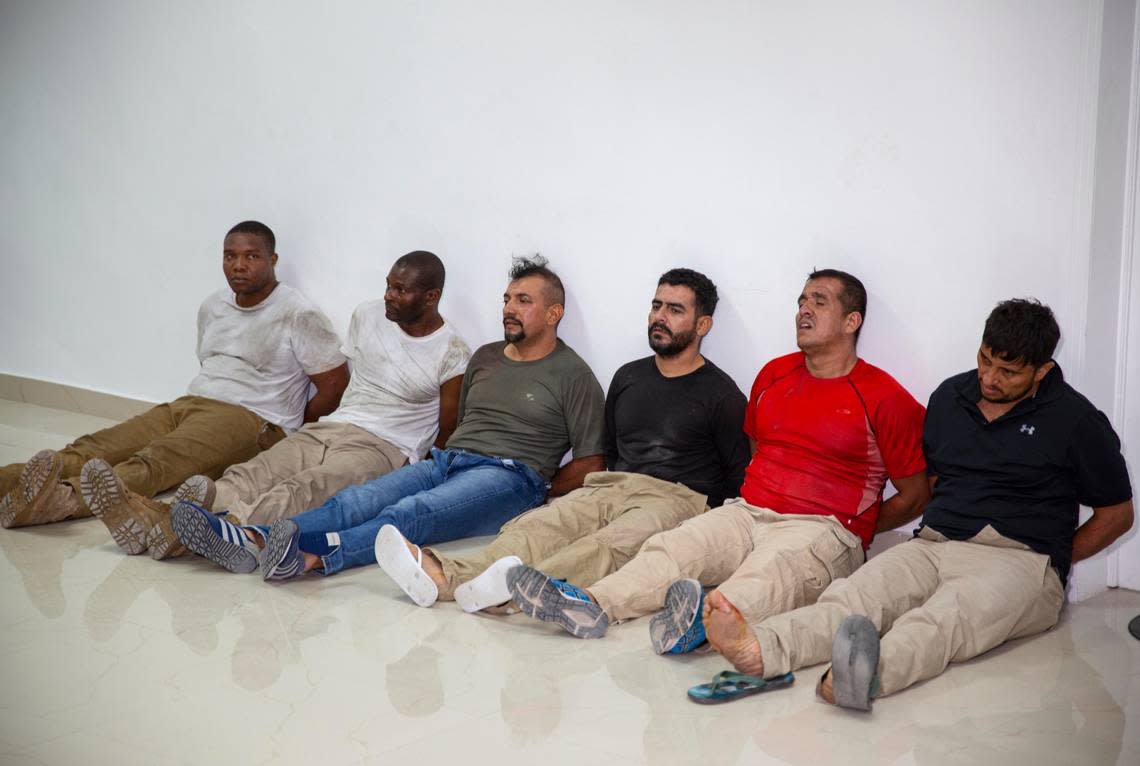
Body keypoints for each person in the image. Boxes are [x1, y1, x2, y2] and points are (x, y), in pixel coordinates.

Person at [704, 299, 1134, 711]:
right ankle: (762, 649)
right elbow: (930, 479)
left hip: (1018, 556)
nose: (990, 378)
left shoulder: (1076, 420)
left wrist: (1052, 559)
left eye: (1008, 371)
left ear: (1042, 369)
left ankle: (865, 676)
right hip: (933, 543)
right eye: (985, 360)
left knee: (944, 620)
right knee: (853, 596)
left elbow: (1117, 514)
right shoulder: (950, 397)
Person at [507, 269, 930, 654]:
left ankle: (700, 624)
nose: (804, 310)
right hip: (748, 512)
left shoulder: (884, 398)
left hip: (819, 527)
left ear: (851, 321)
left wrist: (854, 527)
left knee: (770, 575)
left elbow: (915, 494)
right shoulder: (774, 375)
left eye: (820, 302)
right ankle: (592, 603)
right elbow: (754, 446)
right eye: (801, 301)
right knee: (674, 546)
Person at [374, 268, 751, 611]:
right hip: (612, 485)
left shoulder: (722, 395)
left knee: (606, 544)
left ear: (702, 325)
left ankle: (510, 592)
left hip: (676, 497)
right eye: (656, 306)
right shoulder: (628, 377)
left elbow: (735, 476)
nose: (659, 317)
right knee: (539, 525)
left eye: (674, 310)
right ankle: (445, 576)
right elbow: (614, 449)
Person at [0, 221, 348, 558]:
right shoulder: (214, 306)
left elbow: (334, 384)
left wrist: (286, 428)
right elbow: (207, 363)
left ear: (272, 260)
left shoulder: (297, 313)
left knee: (155, 460)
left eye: (251, 256)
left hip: (250, 418)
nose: (238, 265)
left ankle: (60, 500)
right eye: (229, 256)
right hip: (190, 403)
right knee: (92, 447)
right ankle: (9, 486)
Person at [253, 255, 607, 582]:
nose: (509, 309)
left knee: (411, 513)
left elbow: (590, 462)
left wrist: (539, 486)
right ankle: (257, 539)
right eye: (507, 299)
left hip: (507, 476)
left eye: (523, 301)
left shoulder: (573, 375)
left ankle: (312, 554)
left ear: (553, 313)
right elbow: (462, 422)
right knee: (358, 499)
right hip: (448, 461)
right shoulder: (485, 357)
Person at [111, 251, 469, 572]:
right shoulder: (367, 314)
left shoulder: (451, 351)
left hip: (383, 445)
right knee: (257, 471)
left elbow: (446, 429)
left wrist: (413, 472)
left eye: (400, 290)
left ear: (431, 296)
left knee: (305, 487)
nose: (389, 295)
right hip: (336, 424)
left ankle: (228, 530)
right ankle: (170, 518)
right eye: (388, 285)